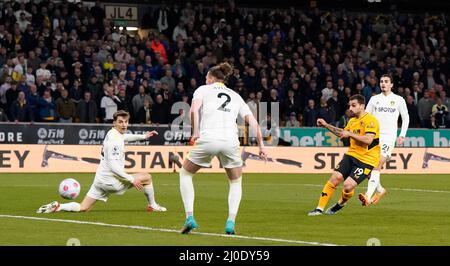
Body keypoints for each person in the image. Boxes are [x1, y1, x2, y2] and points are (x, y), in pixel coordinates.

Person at [179, 63, 267, 235]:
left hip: (209, 138)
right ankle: (230, 222)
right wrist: (261, 145)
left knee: (186, 173)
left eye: (206, 78)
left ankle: (190, 217)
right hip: (230, 141)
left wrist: (195, 132)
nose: (205, 81)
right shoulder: (236, 96)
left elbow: (193, 111)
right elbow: (254, 123)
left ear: (212, 79)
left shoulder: (203, 90)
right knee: (235, 182)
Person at [37, 110, 167, 214]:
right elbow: (113, 166)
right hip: (112, 182)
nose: (124, 124)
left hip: (100, 180)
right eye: (120, 122)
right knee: (147, 177)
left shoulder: (112, 133)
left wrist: (143, 136)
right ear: (114, 123)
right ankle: (152, 205)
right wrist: (131, 179)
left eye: (126, 122)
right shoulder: (114, 141)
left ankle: (58, 207)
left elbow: (124, 137)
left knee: (84, 207)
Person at [308, 94, 380, 215]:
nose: (350, 108)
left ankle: (340, 204)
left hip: (367, 160)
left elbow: (368, 140)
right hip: (351, 155)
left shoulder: (371, 121)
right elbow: (342, 133)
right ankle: (319, 209)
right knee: (335, 178)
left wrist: (350, 134)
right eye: (349, 106)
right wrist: (326, 125)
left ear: (362, 106)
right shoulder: (352, 121)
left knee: (347, 186)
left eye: (353, 105)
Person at [359, 74, 409, 206]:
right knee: (368, 166)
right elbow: (365, 116)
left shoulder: (398, 99)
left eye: (386, 82)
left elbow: (405, 118)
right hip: (373, 137)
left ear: (391, 84)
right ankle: (380, 190)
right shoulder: (374, 99)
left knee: (377, 163)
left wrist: (402, 135)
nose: (383, 84)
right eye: (381, 81)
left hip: (388, 137)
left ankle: (368, 196)